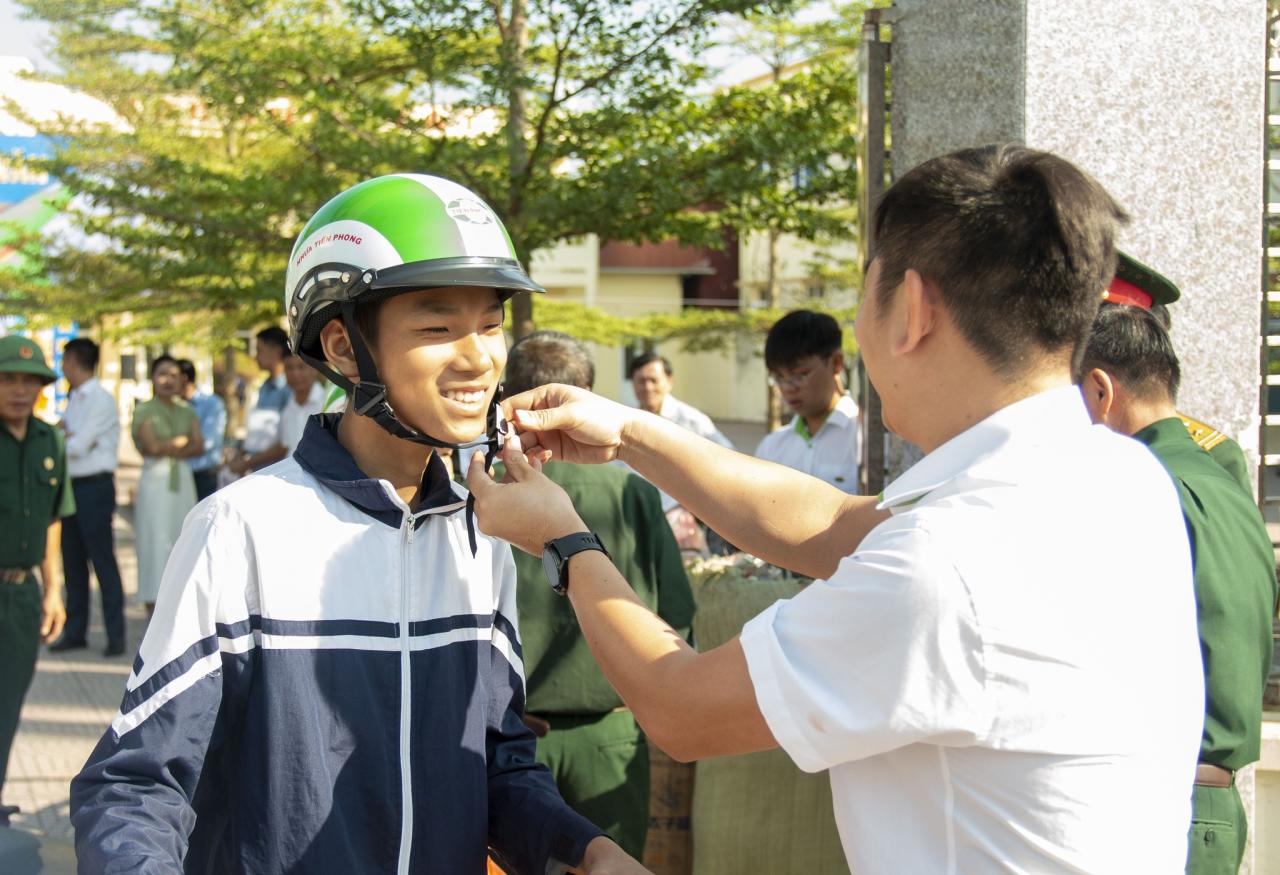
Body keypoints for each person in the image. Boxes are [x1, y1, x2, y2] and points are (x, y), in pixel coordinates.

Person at [468, 145, 1205, 872]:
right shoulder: (1115, 475)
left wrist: (562, 537)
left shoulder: (947, 568)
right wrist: (627, 430)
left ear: (911, 308)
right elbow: (832, 523)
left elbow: (681, 706)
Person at [71, 174, 644, 875]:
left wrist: (589, 849)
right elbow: (132, 785)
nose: (479, 356)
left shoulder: (481, 532)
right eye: (438, 326)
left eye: (491, 322)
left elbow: (496, 769)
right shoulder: (241, 526)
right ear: (342, 347)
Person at [1078, 303, 1277, 875]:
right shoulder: (1226, 478)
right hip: (1215, 802)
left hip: (1156, 801)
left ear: (1099, 391)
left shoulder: (1133, 483)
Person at [503, 330, 694, 860]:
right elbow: (677, 612)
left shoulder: (485, 492)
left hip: (509, 742)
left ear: (510, 397)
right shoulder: (632, 491)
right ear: (584, 396)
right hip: (609, 733)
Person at [0, 336, 69, 826]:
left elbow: (51, 520)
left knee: (9, 696)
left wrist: (54, 589)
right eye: (9, 379)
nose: (20, 390)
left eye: (30, 381)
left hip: (23, 593)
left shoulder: (50, 442)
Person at [53, 337, 126, 657]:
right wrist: (63, 436)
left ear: (75, 361)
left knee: (102, 561)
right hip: (72, 485)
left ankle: (115, 636)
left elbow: (76, 445)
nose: (62, 367)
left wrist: (62, 438)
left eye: (64, 361)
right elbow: (66, 437)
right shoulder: (76, 398)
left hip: (95, 487)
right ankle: (75, 631)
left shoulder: (99, 398)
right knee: (72, 562)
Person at [755, 310, 860, 493]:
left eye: (801, 374)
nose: (788, 387)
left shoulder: (863, 439)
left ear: (836, 362)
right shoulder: (771, 448)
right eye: (778, 377)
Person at [130, 355, 203, 615]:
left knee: (180, 537)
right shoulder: (144, 410)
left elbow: (199, 445)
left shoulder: (187, 410)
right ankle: (152, 607)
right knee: (153, 538)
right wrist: (181, 442)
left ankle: (180, 608)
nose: (168, 380)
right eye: (162, 374)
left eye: (173, 375)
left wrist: (170, 446)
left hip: (182, 479)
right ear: (151, 377)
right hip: (155, 480)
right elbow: (150, 446)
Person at [230, 351, 325, 476]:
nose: (295, 374)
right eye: (289, 368)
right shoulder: (288, 408)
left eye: (301, 367)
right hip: (293, 479)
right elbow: (284, 446)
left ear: (314, 369)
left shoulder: (328, 404)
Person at [627, 352, 732, 449]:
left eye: (654, 380)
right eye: (641, 381)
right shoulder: (628, 419)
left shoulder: (693, 421)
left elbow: (729, 455)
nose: (648, 388)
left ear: (670, 382)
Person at [178, 359, 227, 502]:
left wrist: (170, 451)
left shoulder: (212, 403)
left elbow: (207, 442)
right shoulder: (173, 406)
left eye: (173, 376)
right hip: (178, 474)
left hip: (204, 476)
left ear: (184, 378)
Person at [253, 325, 292, 413]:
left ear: (277, 351)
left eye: (259, 351)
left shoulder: (291, 388)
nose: (255, 358)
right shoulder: (265, 387)